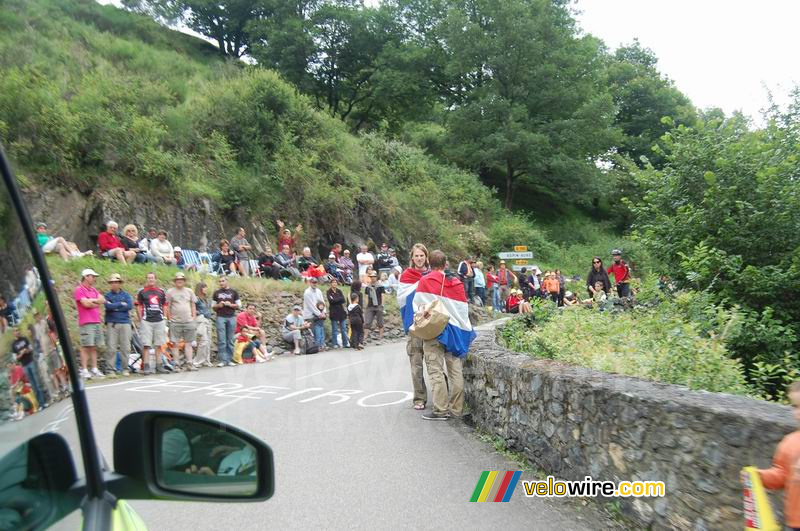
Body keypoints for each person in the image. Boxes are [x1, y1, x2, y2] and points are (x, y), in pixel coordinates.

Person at [414, 250, 476, 421]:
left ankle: (440, 410)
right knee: (455, 370)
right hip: (454, 332)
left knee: (435, 370)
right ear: (445, 263)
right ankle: (456, 409)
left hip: (434, 331)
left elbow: (419, 307)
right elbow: (463, 309)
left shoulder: (425, 280)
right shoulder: (456, 282)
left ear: (429, 262)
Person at [758, 381, 800, 530]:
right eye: (795, 406)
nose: (798, 413)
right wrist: (759, 476)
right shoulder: (789, 442)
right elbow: (782, 474)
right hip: (794, 523)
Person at [397, 242, 430, 410]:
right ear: (412, 258)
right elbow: (402, 300)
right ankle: (419, 398)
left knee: (434, 363)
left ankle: (441, 395)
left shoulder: (432, 275)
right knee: (416, 364)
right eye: (416, 256)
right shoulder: (406, 276)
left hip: (431, 325)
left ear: (426, 257)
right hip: (414, 325)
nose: (419, 258)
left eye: (421, 255)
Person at [74, 268, 106, 380]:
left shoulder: (93, 290)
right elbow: (85, 304)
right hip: (86, 322)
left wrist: (92, 301)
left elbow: (102, 300)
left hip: (96, 320)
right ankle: (84, 369)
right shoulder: (79, 289)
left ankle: (94, 368)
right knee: (85, 346)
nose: (94, 278)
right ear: (86, 277)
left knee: (93, 346)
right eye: (92, 276)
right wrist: (95, 302)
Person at [136, 272, 169, 375]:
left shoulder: (161, 292)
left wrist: (164, 317)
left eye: (152, 278)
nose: (151, 280)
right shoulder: (142, 292)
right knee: (146, 344)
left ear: (155, 279)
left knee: (159, 344)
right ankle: (146, 366)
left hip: (159, 320)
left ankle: (159, 366)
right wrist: (141, 318)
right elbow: (138, 305)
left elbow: (165, 305)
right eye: (149, 278)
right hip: (147, 321)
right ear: (147, 279)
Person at [166, 271, 198, 371]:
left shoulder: (189, 291)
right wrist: (169, 318)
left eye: (181, 280)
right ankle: (176, 364)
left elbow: (193, 305)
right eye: (178, 280)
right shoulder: (170, 292)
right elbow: (167, 306)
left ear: (184, 281)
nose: (179, 281)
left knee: (188, 343)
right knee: (175, 343)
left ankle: (189, 363)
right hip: (175, 321)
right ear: (175, 281)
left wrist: (193, 317)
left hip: (188, 320)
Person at [104, 273, 133, 377]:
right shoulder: (107, 295)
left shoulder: (126, 295)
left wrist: (114, 306)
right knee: (111, 347)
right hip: (112, 323)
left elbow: (129, 306)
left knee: (126, 347)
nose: (114, 284)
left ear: (120, 283)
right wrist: (120, 304)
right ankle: (110, 370)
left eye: (116, 282)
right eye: (112, 282)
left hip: (125, 322)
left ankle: (125, 368)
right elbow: (108, 307)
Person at [11, 328, 46, 409]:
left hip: (31, 362)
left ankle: (44, 402)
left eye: (18, 330)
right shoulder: (13, 345)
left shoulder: (24, 339)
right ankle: (40, 404)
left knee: (37, 382)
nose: (17, 332)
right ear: (13, 333)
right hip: (24, 366)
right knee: (33, 385)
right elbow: (15, 358)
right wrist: (21, 353)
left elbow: (31, 348)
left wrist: (26, 350)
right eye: (15, 331)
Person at [212, 275, 240, 367]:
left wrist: (230, 305)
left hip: (231, 316)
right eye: (220, 281)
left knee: (230, 339)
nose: (221, 283)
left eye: (223, 281)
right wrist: (218, 305)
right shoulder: (216, 293)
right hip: (220, 317)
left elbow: (239, 305)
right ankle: (222, 360)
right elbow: (213, 306)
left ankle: (229, 359)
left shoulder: (233, 292)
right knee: (221, 339)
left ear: (227, 281)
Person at [193, 282, 214, 368]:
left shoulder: (206, 299)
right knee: (204, 341)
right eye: (204, 287)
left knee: (208, 341)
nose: (206, 289)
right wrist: (197, 312)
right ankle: (198, 361)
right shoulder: (197, 299)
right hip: (201, 320)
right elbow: (193, 308)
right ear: (200, 289)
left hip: (208, 320)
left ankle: (206, 360)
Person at [303, 277, 326, 349]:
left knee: (320, 331)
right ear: (310, 283)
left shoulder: (318, 291)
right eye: (313, 282)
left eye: (315, 282)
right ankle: (314, 347)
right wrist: (319, 314)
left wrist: (324, 312)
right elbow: (311, 305)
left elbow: (322, 302)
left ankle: (321, 345)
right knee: (313, 332)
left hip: (319, 314)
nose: (314, 284)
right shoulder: (307, 292)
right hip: (310, 315)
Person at [327, 279, 349, 349]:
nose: (334, 284)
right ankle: (334, 343)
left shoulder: (339, 291)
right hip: (333, 312)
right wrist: (338, 299)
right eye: (333, 282)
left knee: (343, 328)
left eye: (335, 282)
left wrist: (336, 300)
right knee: (335, 329)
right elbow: (331, 301)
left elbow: (343, 300)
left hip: (341, 311)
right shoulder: (329, 292)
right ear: (331, 284)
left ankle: (345, 343)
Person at [364, 271, 385, 342]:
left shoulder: (380, 286)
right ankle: (365, 336)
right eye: (371, 277)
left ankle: (381, 335)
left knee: (380, 321)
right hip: (370, 306)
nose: (373, 278)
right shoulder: (368, 287)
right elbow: (366, 296)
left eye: (374, 277)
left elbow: (382, 295)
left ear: (376, 277)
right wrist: (366, 305)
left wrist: (382, 304)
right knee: (367, 321)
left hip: (378, 305)